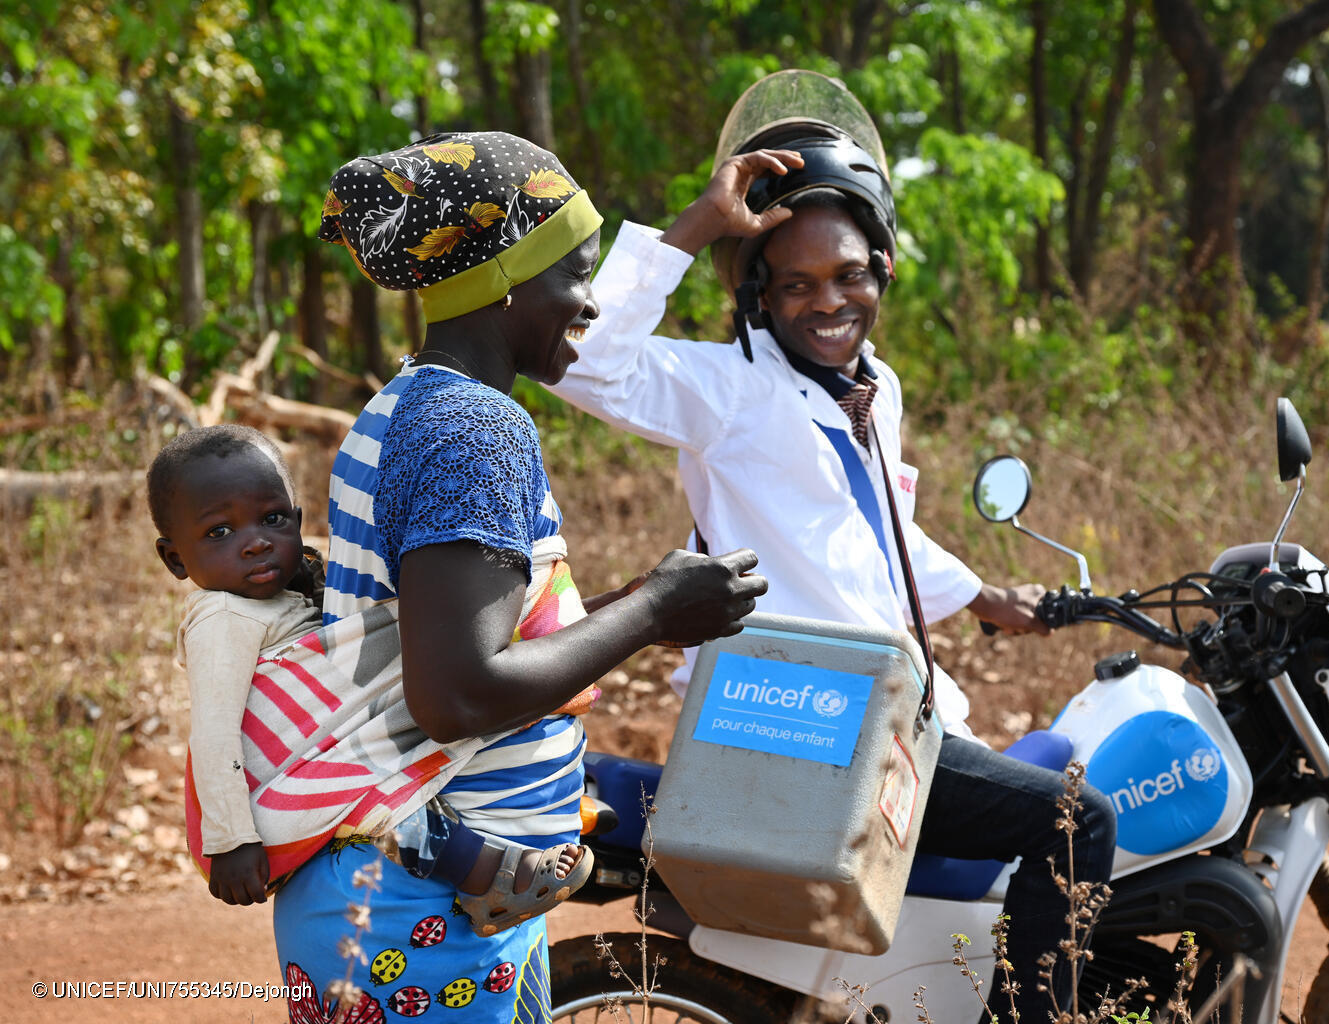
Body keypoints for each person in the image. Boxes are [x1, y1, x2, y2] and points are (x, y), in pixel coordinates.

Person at [543, 76, 1116, 1021]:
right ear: (759, 295)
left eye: (848, 275)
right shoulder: (726, 393)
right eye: (797, 284)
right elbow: (584, 360)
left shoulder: (872, 389)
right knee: (1075, 820)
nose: (828, 302)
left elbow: (872, 535)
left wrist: (981, 596)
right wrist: (696, 225)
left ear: (882, 267)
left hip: (888, 714)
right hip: (814, 727)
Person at [271, 130, 767, 1022]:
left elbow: (465, 632)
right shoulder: (473, 430)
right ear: (505, 281)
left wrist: (650, 603)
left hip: (450, 897)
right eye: (575, 274)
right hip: (424, 914)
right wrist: (653, 611)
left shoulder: (410, 403)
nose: (588, 303)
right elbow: (458, 694)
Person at [147, 424, 594, 929]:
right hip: (271, 794)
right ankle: (491, 877)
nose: (254, 543)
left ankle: (547, 798)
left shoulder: (296, 595)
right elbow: (213, 732)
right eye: (219, 532)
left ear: (298, 521)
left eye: (271, 520)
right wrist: (230, 839)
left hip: (316, 763)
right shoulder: (221, 617)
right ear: (175, 558)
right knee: (390, 812)